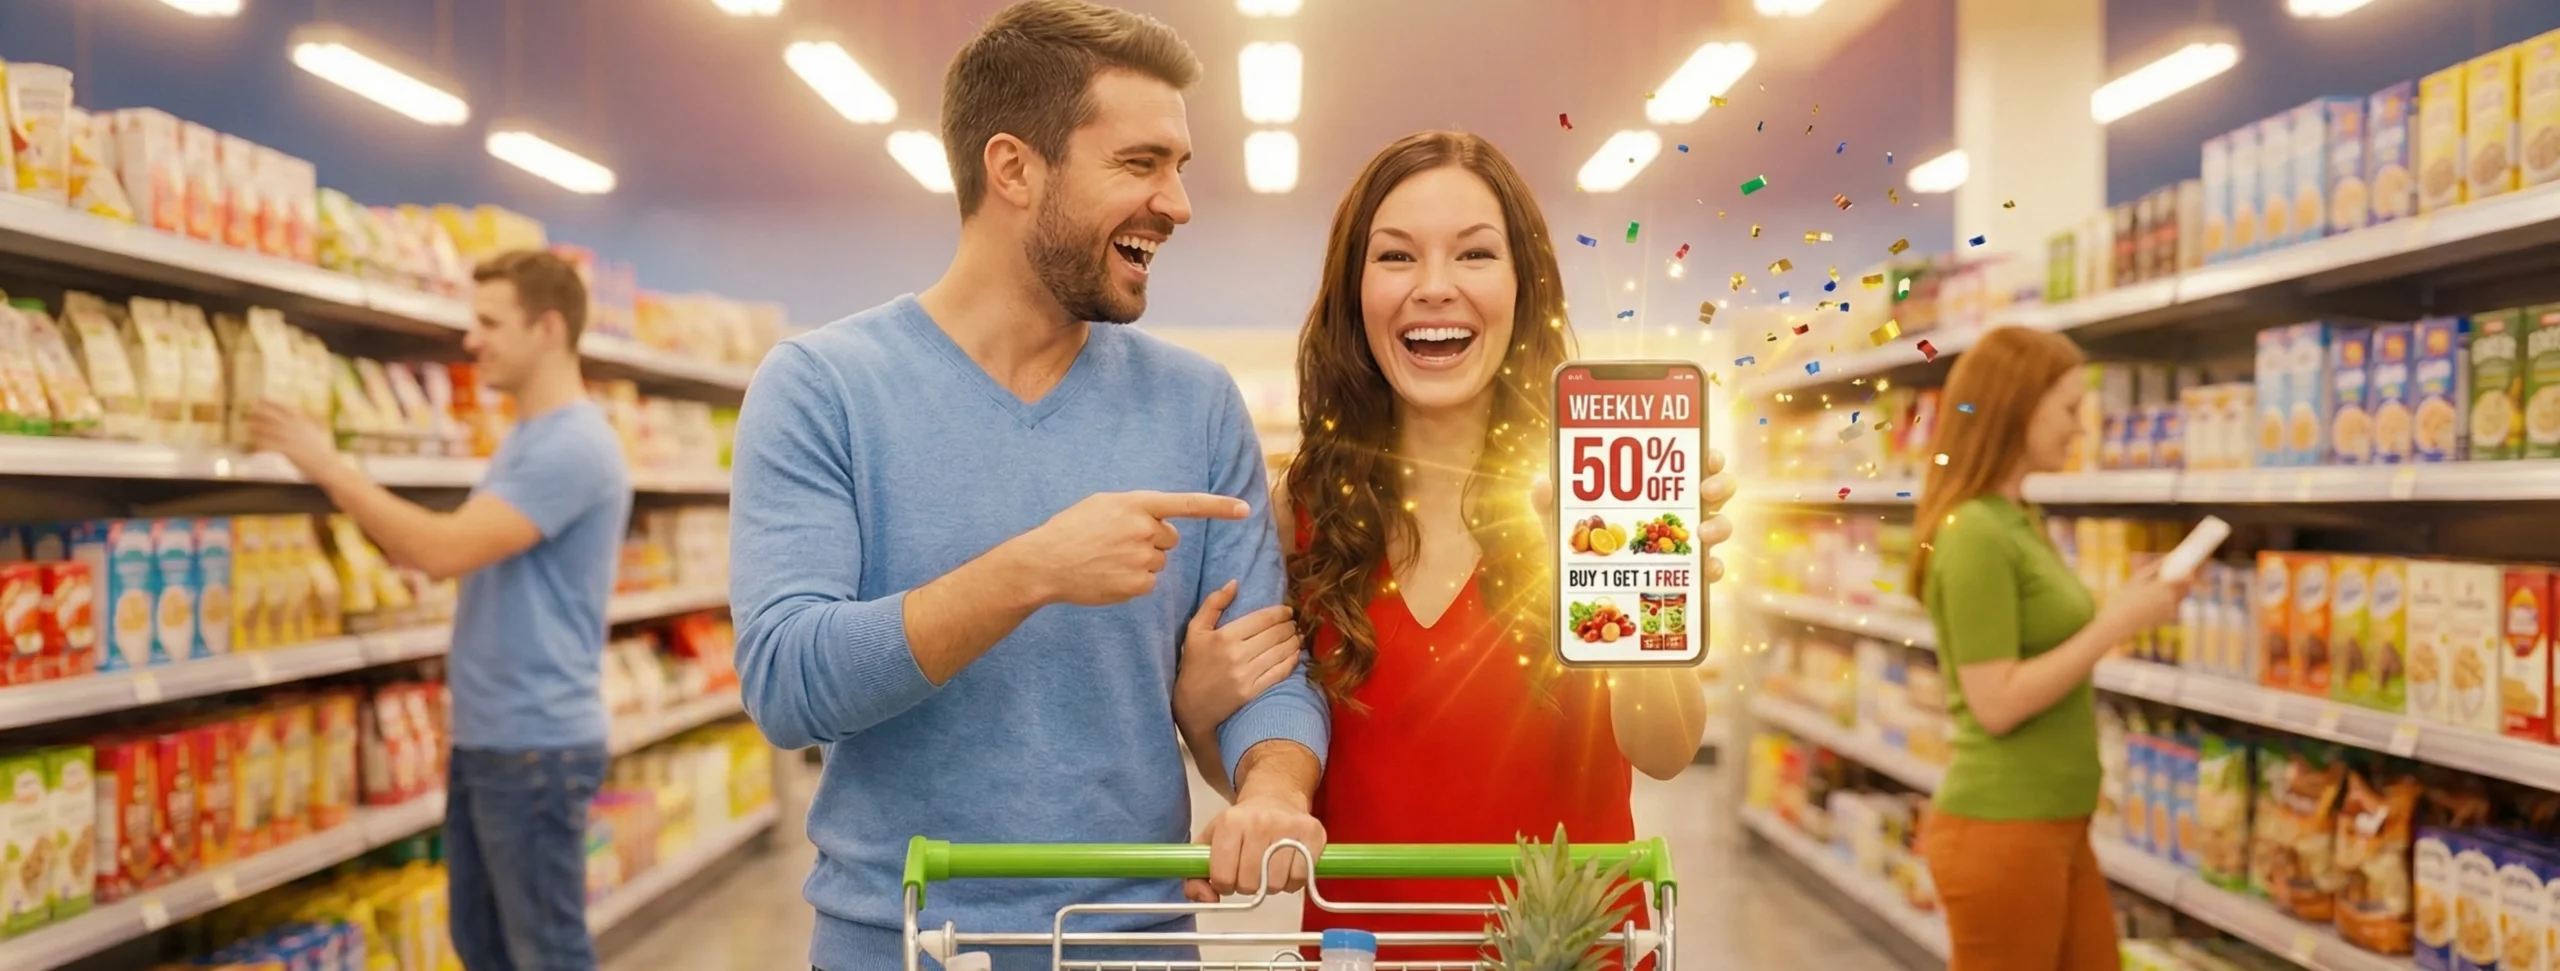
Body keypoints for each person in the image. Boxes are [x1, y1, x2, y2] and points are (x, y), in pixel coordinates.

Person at [725, 3, 1327, 970]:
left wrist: (1271, 788)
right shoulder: (823, 387)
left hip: (1136, 947)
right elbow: (788, 683)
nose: (1177, 203)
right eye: (1140, 163)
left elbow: (1267, 669)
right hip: (902, 939)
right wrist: (1031, 569)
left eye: (1179, 167)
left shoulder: (1197, 404)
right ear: (1014, 168)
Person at [1171, 131, 1736, 963]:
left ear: (1523, 285)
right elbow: (1280, 791)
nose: (1434, 287)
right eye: (1395, 257)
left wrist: (1626, 582)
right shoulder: (1303, 507)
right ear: (1353, 292)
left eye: (1475, 253)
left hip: (1564, 949)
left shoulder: (1595, 490)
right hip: (1365, 948)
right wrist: (1196, 708)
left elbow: (1665, 750)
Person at [251, 249, 633, 971]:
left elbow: (442, 549)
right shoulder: (529, 436)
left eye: (489, 321)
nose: (471, 339)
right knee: (484, 947)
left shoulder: (575, 446)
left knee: (544, 952)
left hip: (534, 744)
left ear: (548, 328)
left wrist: (327, 463)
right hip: (496, 736)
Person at [1906, 326, 2186, 971]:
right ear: (2017, 405)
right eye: (2068, 409)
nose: (2080, 429)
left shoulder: (2019, 517)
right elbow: (1996, 702)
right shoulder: (1974, 530)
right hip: (2003, 828)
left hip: (2058, 822)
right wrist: (2116, 623)